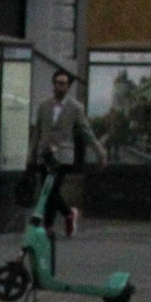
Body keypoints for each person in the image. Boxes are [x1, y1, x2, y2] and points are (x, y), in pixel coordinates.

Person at [24, 68, 105, 235]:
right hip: (45, 153)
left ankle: (49, 224)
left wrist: (99, 152)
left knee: (51, 189)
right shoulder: (44, 106)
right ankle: (68, 214)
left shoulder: (76, 107)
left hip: (62, 155)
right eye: (58, 83)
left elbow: (86, 131)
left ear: (68, 87)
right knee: (46, 189)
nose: (61, 87)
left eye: (64, 84)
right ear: (53, 85)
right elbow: (37, 132)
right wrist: (30, 154)